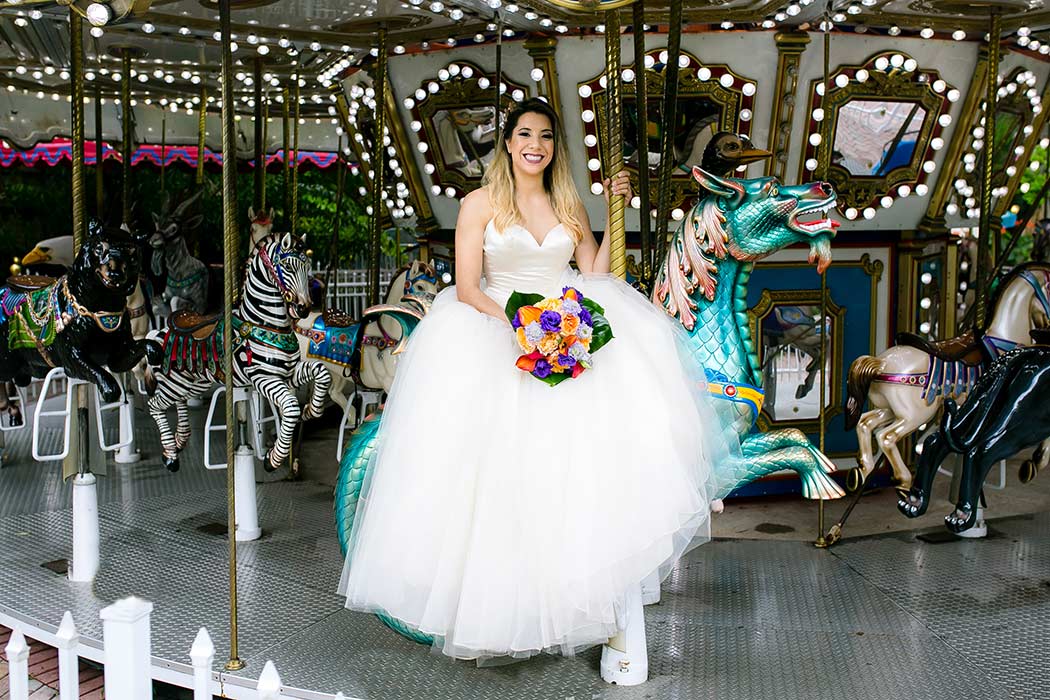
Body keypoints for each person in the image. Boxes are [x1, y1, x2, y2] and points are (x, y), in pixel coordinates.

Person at [338, 97, 739, 684]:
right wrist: (517, 325)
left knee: (571, 481)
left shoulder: (567, 202)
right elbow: (470, 285)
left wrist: (616, 212)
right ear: (507, 142)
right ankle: (492, 606)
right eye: (525, 134)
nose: (536, 145)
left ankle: (584, 602)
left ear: (555, 147)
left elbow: (595, 275)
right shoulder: (479, 205)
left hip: (562, 330)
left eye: (546, 136)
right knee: (495, 485)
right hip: (496, 335)